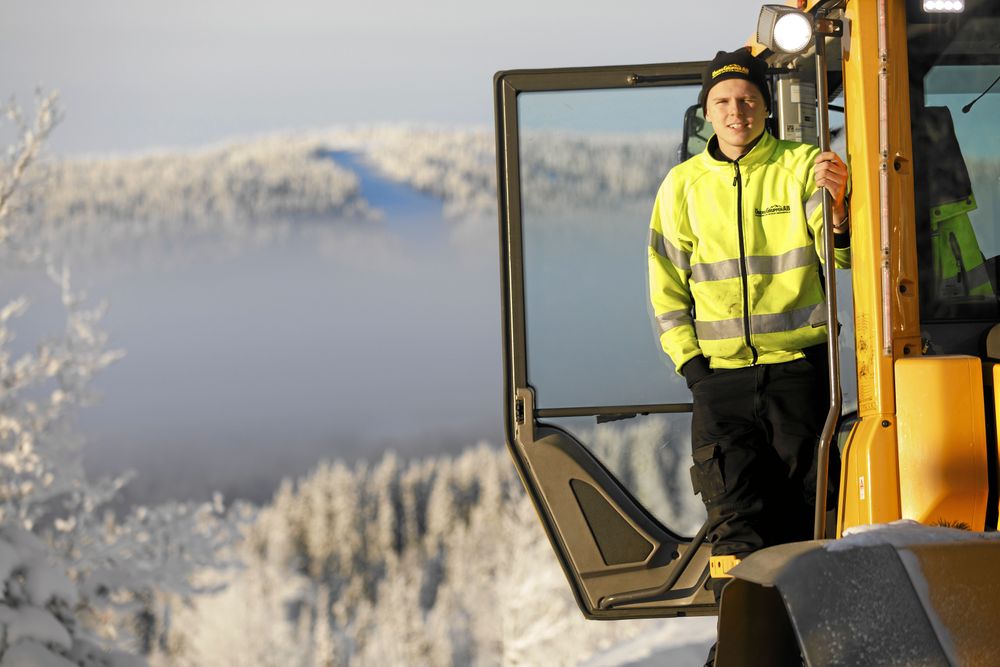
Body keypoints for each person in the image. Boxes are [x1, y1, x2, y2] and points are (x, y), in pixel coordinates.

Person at [646, 48, 851, 602]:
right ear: (706, 113)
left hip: (798, 377)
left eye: (747, 98)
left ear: (766, 106)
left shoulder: (803, 166)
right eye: (723, 101)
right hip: (720, 384)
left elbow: (840, 257)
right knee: (733, 532)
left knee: (810, 521)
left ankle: (816, 637)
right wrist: (693, 368)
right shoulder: (682, 186)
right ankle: (744, 639)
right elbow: (665, 287)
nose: (736, 111)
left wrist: (839, 213)